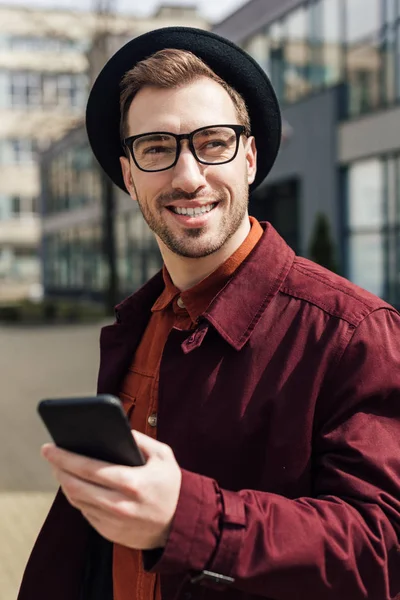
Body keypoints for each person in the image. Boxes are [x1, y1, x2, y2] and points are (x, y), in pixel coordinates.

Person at [18, 26, 400, 600]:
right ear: (128, 176)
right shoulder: (139, 322)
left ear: (248, 157)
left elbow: (381, 549)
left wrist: (187, 519)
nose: (188, 175)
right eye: (156, 148)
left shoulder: (353, 333)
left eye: (213, 142)